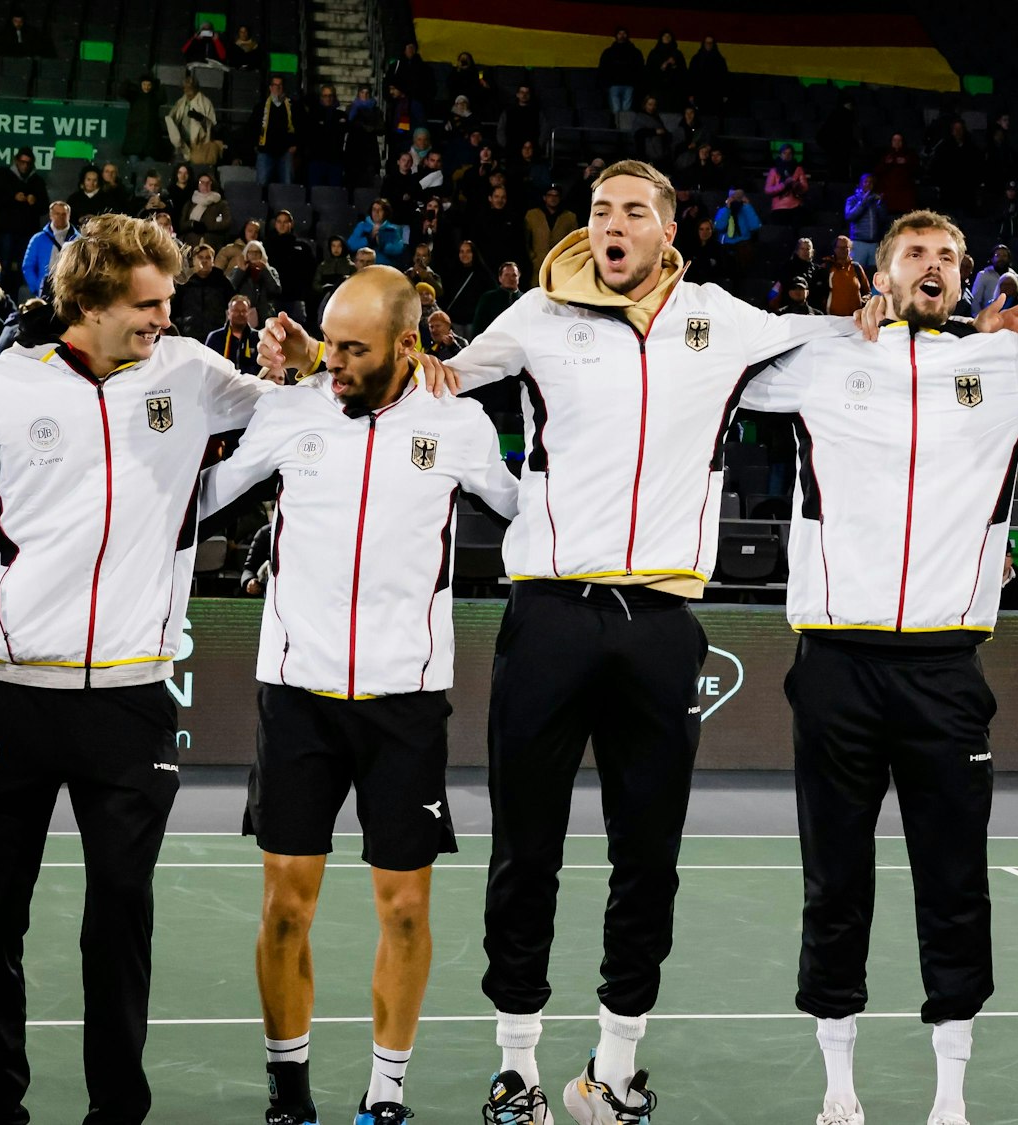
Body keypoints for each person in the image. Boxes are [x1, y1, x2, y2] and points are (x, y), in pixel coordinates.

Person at [258, 158, 866, 1125]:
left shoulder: (721, 320)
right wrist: (315, 363)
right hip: (547, 619)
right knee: (524, 852)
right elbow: (431, 374)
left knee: (649, 857)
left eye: (632, 211)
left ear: (668, 229)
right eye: (599, 210)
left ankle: (613, 1071)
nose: (612, 224)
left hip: (661, 623)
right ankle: (518, 1069)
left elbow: (836, 339)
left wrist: (910, 319)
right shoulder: (539, 316)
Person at [0, 215, 275, 1125]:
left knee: (121, 915)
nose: (165, 317)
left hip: (133, 701)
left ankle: (117, 1111)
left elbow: (300, 409)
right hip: (1, 698)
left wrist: (310, 359)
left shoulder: (189, 371)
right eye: (148, 304)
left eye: (168, 301)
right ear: (91, 302)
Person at [732, 209, 1018, 1125]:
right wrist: (832, 325)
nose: (934, 264)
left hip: (945, 668)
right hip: (835, 662)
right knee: (835, 879)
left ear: (966, 278)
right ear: (881, 274)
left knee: (955, 883)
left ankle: (949, 1096)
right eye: (915, 253)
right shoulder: (822, 361)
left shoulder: (1008, 368)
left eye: (949, 257)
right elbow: (721, 364)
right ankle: (838, 1090)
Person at [197, 266, 518, 1125]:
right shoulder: (291, 410)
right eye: (327, 344)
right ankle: (289, 1092)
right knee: (285, 907)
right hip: (295, 694)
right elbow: (202, 500)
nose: (331, 363)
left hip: (405, 699)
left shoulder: (457, 422)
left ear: (407, 345)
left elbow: (531, 511)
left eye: (351, 350)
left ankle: (385, 1094)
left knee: (405, 910)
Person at [0, 150, 50, 273]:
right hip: (8, 229)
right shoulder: (5, 178)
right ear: (16, 161)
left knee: (25, 265)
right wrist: (12, 197)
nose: (25, 166)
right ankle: (3, 285)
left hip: (28, 231)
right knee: (5, 263)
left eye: (28, 163)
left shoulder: (37, 181)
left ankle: (21, 286)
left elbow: (45, 207)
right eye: (22, 162)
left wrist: (35, 202)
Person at [176, 242, 238, 342]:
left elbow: (233, 303)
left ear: (213, 260)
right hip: (189, 335)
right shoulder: (185, 282)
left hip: (215, 336)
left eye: (208, 257)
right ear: (194, 260)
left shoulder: (221, 281)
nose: (204, 261)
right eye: (200, 257)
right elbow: (175, 309)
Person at [525, 187, 578, 280]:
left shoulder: (570, 217)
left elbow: (574, 242)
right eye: (550, 195)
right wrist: (533, 258)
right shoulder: (532, 215)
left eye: (556, 195)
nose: (553, 198)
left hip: (560, 265)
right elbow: (525, 240)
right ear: (544, 197)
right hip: (538, 266)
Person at [166, 75, 220, 164]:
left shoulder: (205, 103)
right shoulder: (181, 101)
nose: (187, 91)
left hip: (199, 145)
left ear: (195, 88)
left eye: (189, 88)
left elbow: (212, 125)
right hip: (183, 143)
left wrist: (200, 118)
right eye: (185, 88)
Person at [229, 241, 283, 324]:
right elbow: (230, 289)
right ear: (246, 254)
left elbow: (276, 290)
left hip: (265, 314)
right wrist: (241, 271)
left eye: (257, 252)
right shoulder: (237, 270)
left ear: (262, 254)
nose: (254, 255)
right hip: (246, 315)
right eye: (251, 252)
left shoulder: (270, 270)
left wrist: (265, 270)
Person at [843, 174, 888, 272]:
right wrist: (862, 203)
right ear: (860, 184)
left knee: (874, 273)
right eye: (866, 182)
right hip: (859, 243)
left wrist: (880, 205)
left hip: (874, 244)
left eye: (871, 182)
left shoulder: (875, 200)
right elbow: (849, 216)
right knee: (856, 273)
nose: (868, 184)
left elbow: (883, 219)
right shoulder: (852, 199)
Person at [207, 295, 261, 373]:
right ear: (229, 313)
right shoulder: (215, 337)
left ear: (248, 313)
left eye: (244, 311)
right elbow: (207, 366)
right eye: (236, 311)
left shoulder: (257, 338)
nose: (240, 314)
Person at [349, 200, 409, 269]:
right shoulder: (362, 226)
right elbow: (351, 245)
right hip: (364, 267)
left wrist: (382, 243)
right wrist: (369, 237)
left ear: (385, 212)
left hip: (384, 267)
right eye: (374, 210)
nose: (376, 212)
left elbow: (398, 249)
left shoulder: (393, 229)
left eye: (380, 210)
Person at [471, 261, 523, 337]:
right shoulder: (488, 298)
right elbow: (478, 326)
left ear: (518, 277)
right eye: (506, 275)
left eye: (514, 275)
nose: (510, 278)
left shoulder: (525, 299)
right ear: (500, 278)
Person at [764, 144, 811, 227]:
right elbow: (768, 190)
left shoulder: (798, 169)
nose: (787, 156)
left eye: (789, 153)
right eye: (784, 153)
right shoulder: (774, 170)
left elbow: (805, 188)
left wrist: (795, 184)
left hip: (795, 205)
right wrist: (783, 184)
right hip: (779, 206)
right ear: (780, 155)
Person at [599, 29, 642, 116]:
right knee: (618, 112)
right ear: (616, 35)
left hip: (629, 84)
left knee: (625, 113)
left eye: (624, 33)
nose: (622, 36)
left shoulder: (635, 52)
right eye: (620, 33)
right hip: (614, 85)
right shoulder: (608, 52)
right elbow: (603, 69)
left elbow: (639, 69)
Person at [826, 235, 871, 318]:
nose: (842, 250)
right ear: (835, 249)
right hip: (831, 318)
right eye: (840, 247)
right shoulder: (827, 268)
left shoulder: (856, 268)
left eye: (845, 247)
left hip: (854, 318)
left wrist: (864, 300)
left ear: (850, 249)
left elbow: (867, 292)